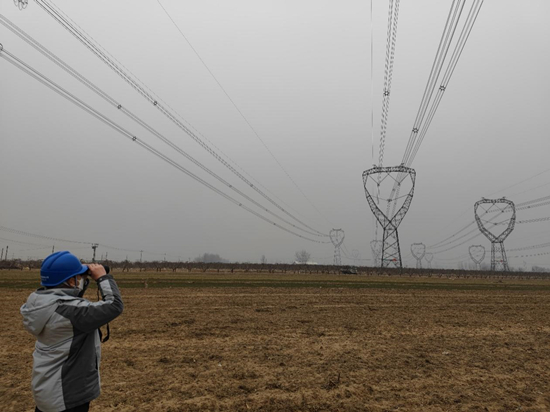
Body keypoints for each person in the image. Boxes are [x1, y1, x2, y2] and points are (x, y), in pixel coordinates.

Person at [20, 251, 124, 412]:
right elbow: (114, 305)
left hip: (47, 389)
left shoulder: (39, 303)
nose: (82, 280)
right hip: (66, 396)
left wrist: (78, 280)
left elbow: (71, 300)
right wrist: (103, 278)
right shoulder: (70, 313)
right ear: (70, 280)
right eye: (79, 277)